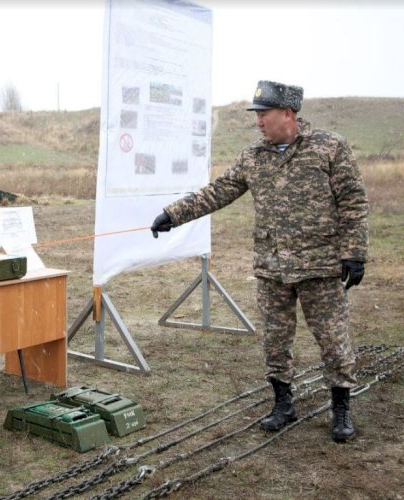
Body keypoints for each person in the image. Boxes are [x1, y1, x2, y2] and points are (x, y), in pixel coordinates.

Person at [151, 81, 368, 443]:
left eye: (264, 114)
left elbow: (353, 201)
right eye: (257, 116)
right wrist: (173, 215)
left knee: (332, 339)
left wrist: (354, 253)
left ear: (288, 113)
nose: (259, 122)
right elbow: (219, 191)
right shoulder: (254, 156)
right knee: (275, 341)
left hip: (320, 266)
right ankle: (283, 404)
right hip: (272, 267)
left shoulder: (329, 147)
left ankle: (341, 408)